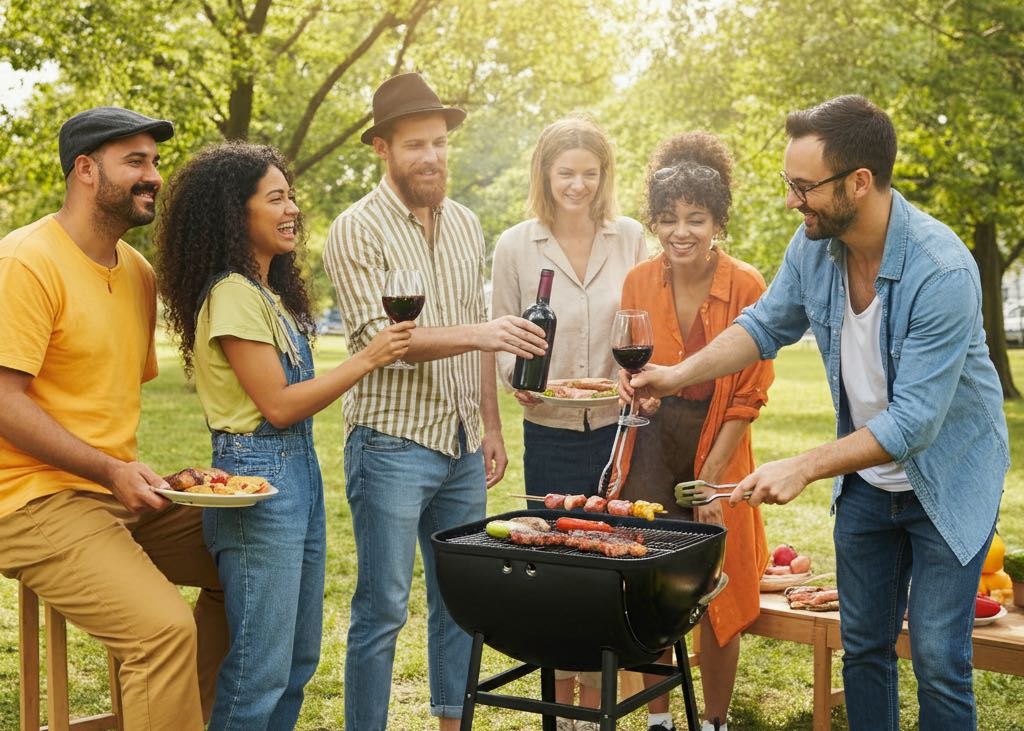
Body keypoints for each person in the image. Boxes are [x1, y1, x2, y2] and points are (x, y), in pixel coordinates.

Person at [628, 96, 1009, 730]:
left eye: (803, 188)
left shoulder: (941, 270)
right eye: (789, 184)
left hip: (948, 479)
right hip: (866, 483)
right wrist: (673, 375)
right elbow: (763, 326)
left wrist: (805, 465)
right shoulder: (814, 246)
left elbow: (915, 423)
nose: (791, 202)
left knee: (940, 658)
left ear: (859, 182)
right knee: (862, 650)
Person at [154, 141, 413, 731]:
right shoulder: (232, 294)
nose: (292, 208)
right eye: (276, 198)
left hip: (295, 478)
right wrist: (367, 358)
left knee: (297, 662)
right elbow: (277, 406)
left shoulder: (266, 294)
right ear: (234, 213)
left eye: (291, 194)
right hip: (259, 488)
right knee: (258, 672)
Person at [322, 72, 548, 731]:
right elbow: (379, 340)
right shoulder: (355, 230)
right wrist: (484, 330)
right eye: (416, 144)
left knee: (461, 602)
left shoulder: (465, 223)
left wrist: (490, 425)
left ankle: (454, 723)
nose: (432, 156)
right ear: (381, 149)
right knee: (383, 606)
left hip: (460, 443)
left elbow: (474, 330)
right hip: (390, 443)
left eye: (440, 142)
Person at [0, 107, 227, 730]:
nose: (153, 175)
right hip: (29, 499)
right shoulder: (26, 261)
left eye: (154, 161)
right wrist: (108, 467)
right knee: (162, 631)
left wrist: (139, 475)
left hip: (116, 492)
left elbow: (101, 399)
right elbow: (3, 400)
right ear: (85, 170)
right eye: (135, 161)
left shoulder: (139, 275)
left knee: (251, 571)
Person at [490, 115, 647, 726]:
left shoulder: (628, 236)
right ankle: (560, 713)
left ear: (604, 175)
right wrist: (514, 380)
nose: (577, 185)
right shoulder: (516, 245)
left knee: (611, 562)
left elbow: (643, 322)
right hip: (550, 428)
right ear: (545, 176)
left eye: (589, 173)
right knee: (557, 566)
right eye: (565, 174)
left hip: (619, 427)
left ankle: (603, 707)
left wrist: (638, 375)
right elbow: (502, 335)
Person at [615, 133, 771, 731]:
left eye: (696, 219)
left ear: (717, 222)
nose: (681, 232)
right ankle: (658, 719)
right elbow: (634, 371)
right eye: (668, 219)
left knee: (716, 594)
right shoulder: (638, 282)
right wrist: (635, 392)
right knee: (654, 585)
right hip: (653, 450)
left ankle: (714, 722)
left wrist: (710, 481)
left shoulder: (747, 286)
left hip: (720, 449)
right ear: (655, 221)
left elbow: (748, 397)